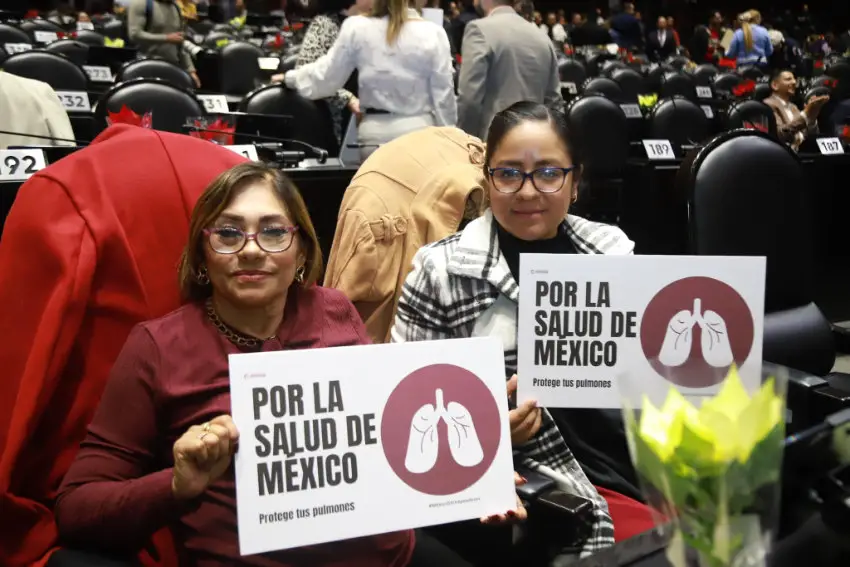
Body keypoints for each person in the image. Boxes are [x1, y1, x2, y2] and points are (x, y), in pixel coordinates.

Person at [54, 162, 510, 566]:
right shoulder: (158, 346)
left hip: (387, 554)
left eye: (273, 232)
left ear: (301, 253)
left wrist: (475, 467)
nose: (251, 250)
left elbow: (381, 447)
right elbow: (77, 509)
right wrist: (176, 484)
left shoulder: (334, 309)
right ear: (201, 255)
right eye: (229, 233)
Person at [392, 102, 655, 562]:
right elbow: (405, 410)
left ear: (574, 182)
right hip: (558, 482)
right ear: (487, 177)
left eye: (549, 173)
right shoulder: (441, 270)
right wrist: (492, 434)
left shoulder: (613, 254)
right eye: (509, 174)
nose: (528, 191)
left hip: (641, 459)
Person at [276, 0, 457, 160]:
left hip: (374, 136)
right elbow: (444, 99)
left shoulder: (357, 27)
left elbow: (324, 79)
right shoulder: (434, 32)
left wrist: (291, 78)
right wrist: (450, 141)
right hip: (420, 133)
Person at [456, 0, 562, 140]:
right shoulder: (542, 37)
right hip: (536, 142)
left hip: (494, 143)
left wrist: (464, 142)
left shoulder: (478, 30)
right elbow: (554, 101)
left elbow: (469, 101)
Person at [127, 0, 201, 87]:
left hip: (173, 67)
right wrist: (166, 38)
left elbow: (180, 41)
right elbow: (135, 34)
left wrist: (190, 70)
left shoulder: (175, 7)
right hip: (146, 65)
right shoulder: (141, 3)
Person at [764, 69, 829, 151]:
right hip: (782, 154)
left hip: (802, 153)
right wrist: (805, 114)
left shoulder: (793, 107)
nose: (794, 82)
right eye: (788, 79)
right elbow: (780, 135)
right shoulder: (767, 105)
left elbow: (809, 135)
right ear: (775, 85)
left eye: (794, 79)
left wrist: (812, 117)